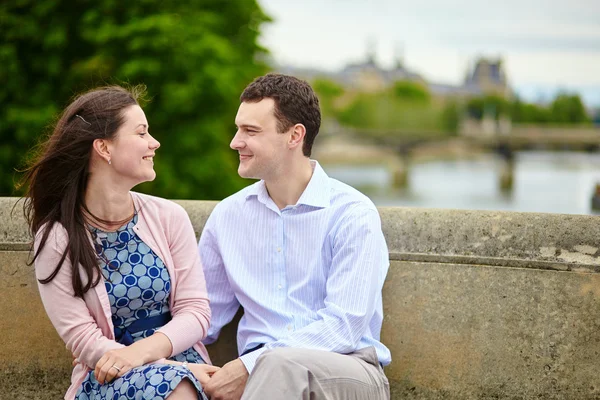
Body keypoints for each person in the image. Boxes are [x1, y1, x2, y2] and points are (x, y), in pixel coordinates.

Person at [199, 73, 391, 400]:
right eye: (238, 128)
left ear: (294, 136)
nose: (235, 141)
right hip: (264, 380)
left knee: (278, 366)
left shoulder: (352, 213)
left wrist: (252, 364)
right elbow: (203, 318)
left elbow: (344, 326)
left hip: (349, 370)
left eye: (250, 131)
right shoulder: (228, 216)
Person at [21, 85, 218, 400]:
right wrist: (163, 368)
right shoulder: (57, 236)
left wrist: (148, 356)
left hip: (184, 364)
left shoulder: (169, 217)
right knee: (179, 388)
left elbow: (195, 310)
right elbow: (83, 339)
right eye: (141, 133)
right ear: (104, 148)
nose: (154, 143)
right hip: (108, 377)